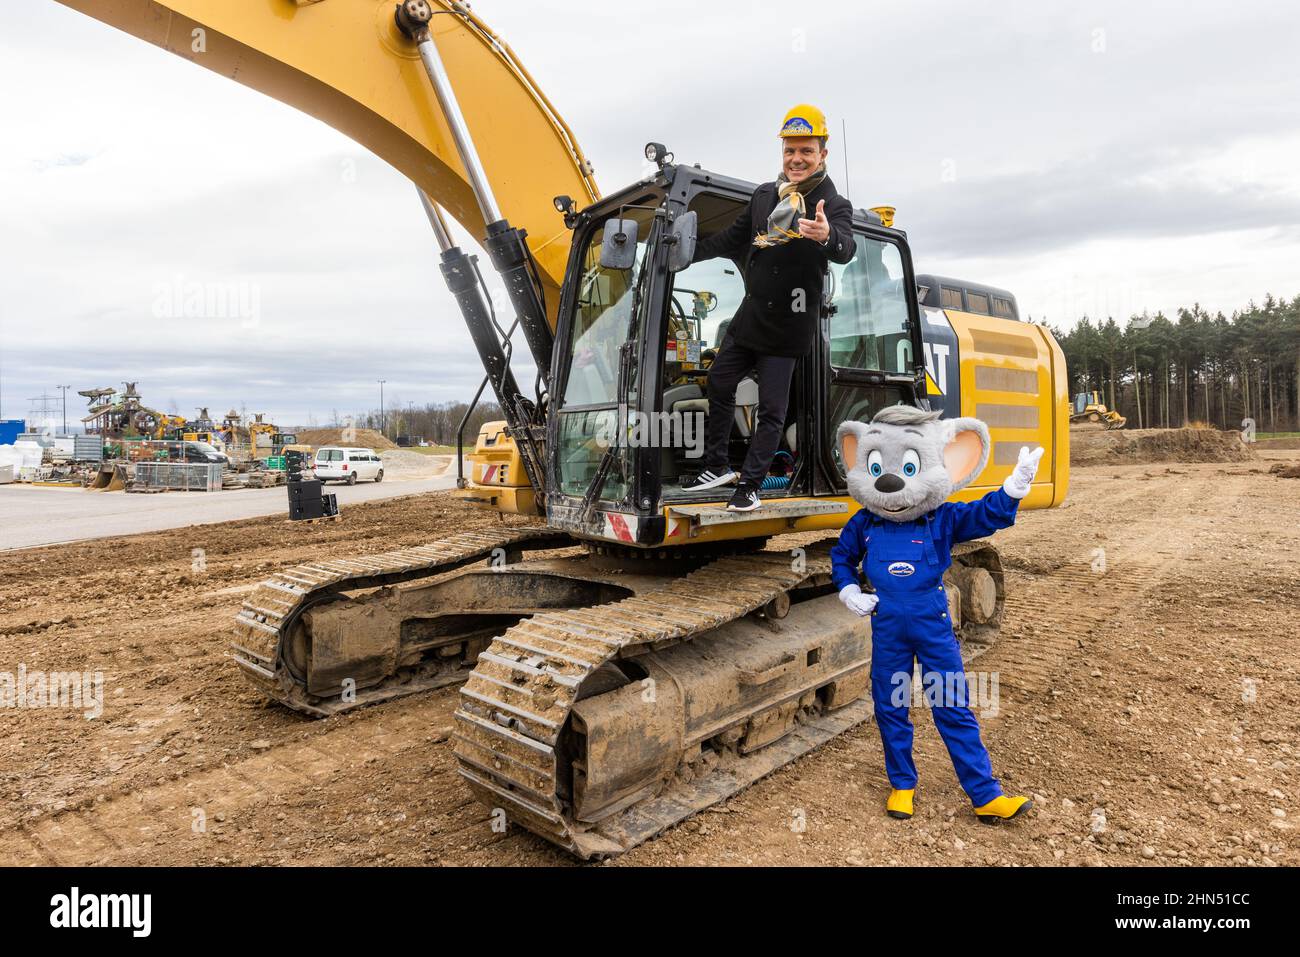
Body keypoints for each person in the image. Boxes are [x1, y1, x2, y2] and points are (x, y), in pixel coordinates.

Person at [831, 405, 1043, 823]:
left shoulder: (941, 518)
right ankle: (902, 786)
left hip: (931, 619)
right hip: (887, 622)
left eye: (909, 466)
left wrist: (1014, 488)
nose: (890, 481)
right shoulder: (864, 522)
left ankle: (985, 795)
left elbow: (983, 515)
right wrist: (848, 587)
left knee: (951, 702)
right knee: (890, 703)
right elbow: (842, 557)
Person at [682, 104, 856, 511]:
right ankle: (718, 466)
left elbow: (846, 248)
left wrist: (827, 237)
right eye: (790, 151)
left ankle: (751, 486)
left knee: (771, 410)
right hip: (751, 316)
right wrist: (685, 255)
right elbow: (731, 237)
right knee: (720, 382)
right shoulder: (764, 197)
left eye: (806, 152)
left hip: (789, 325)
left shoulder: (833, 205)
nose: (797, 159)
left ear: (822, 155)